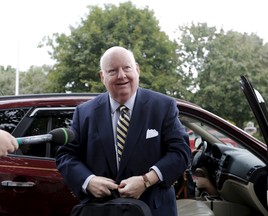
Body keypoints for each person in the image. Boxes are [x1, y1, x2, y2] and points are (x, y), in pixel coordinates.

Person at [56, 46, 191, 216]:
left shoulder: (163, 106)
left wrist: (146, 181)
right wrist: (88, 181)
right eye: (113, 70)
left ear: (137, 69)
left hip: (152, 209)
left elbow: (181, 153)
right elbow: (65, 155)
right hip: (101, 210)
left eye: (127, 68)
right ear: (102, 76)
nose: (121, 75)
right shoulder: (84, 113)